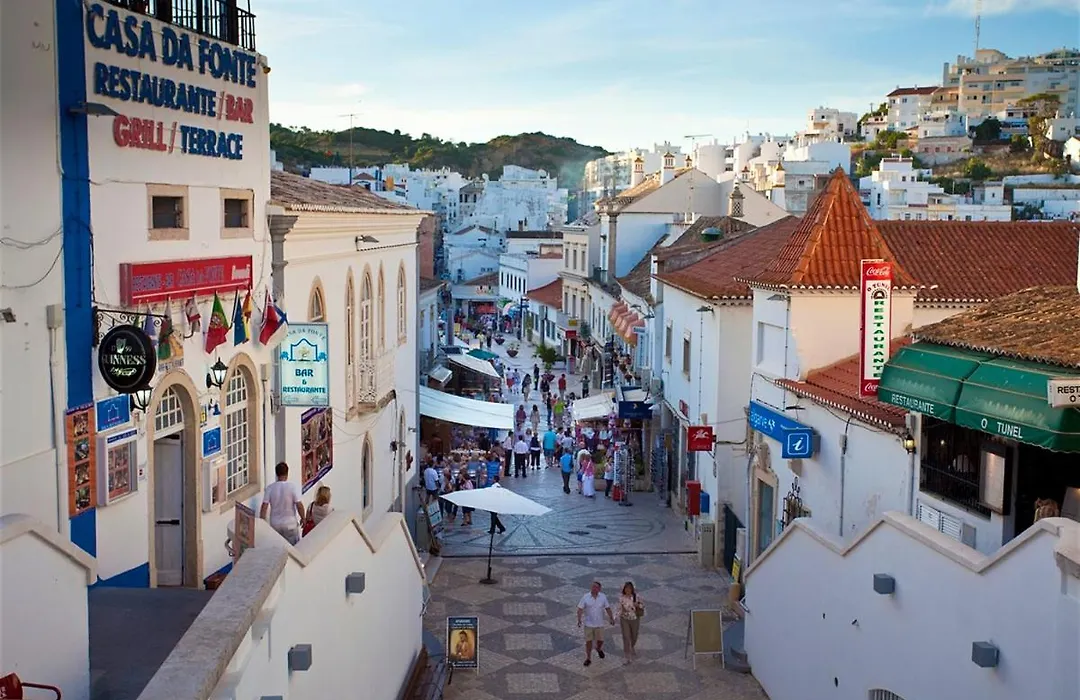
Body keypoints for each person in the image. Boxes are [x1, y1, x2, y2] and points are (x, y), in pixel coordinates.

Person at [260, 462, 304, 545]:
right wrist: (303, 518)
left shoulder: (270, 488)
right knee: (293, 548)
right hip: (290, 524)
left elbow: (264, 507)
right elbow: (299, 505)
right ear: (287, 473)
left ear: (276, 474)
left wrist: (262, 522)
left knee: (277, 548)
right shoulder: (292, 487)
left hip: (275, 524)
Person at [577, 581, 615, 666]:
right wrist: (579, 619)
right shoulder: (585, 597)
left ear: (599, 589)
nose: (594, 588)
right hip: (588, 624)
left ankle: (598, 648)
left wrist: (611, 618)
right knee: (588, 642)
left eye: (596, 587)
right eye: (593, 587)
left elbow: (607, 608)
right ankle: (588, 658)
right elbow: (580, 609)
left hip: (599, 624)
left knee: (600, 640)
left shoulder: (603, 597)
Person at [617, 581, 645, 663]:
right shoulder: (622, 598)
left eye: (629, 588)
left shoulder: (636, 597)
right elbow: (620, 609)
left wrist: (638, 605)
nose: (628, 590)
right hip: (624, 619)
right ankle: (627, 656)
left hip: (635, 619)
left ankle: (632, 646)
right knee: (626, 637)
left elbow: (643, 606)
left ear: (632, 589)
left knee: (634, 635)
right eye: (626, 588)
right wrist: (615, 617)